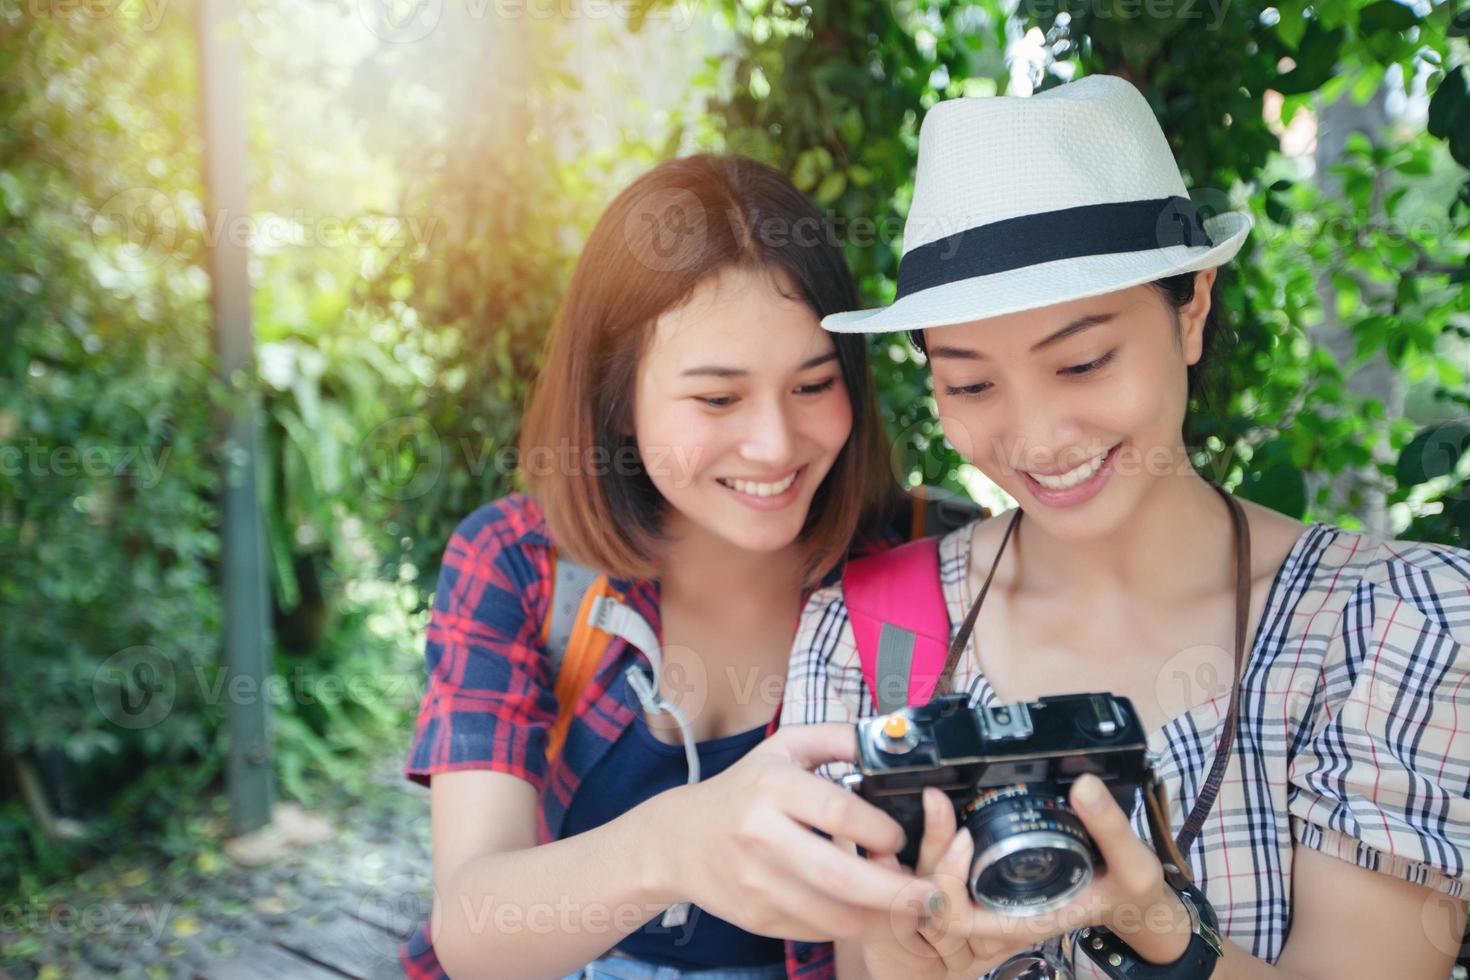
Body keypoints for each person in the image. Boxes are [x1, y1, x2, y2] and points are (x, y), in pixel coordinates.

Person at [780, 74, 1470, 979]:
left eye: (1083, 362)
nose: (1035, 438)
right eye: (972, 383)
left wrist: (1162, 936)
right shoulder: (868, 639)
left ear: (1192, 309)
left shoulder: (1392, 626)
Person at [399, 154, 936, 980]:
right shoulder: (518, 565)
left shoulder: (917, 576)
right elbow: (472, 926)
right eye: (718, 399)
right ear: (617, 398)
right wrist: (675, 844)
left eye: (814, 384)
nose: (775, 445)